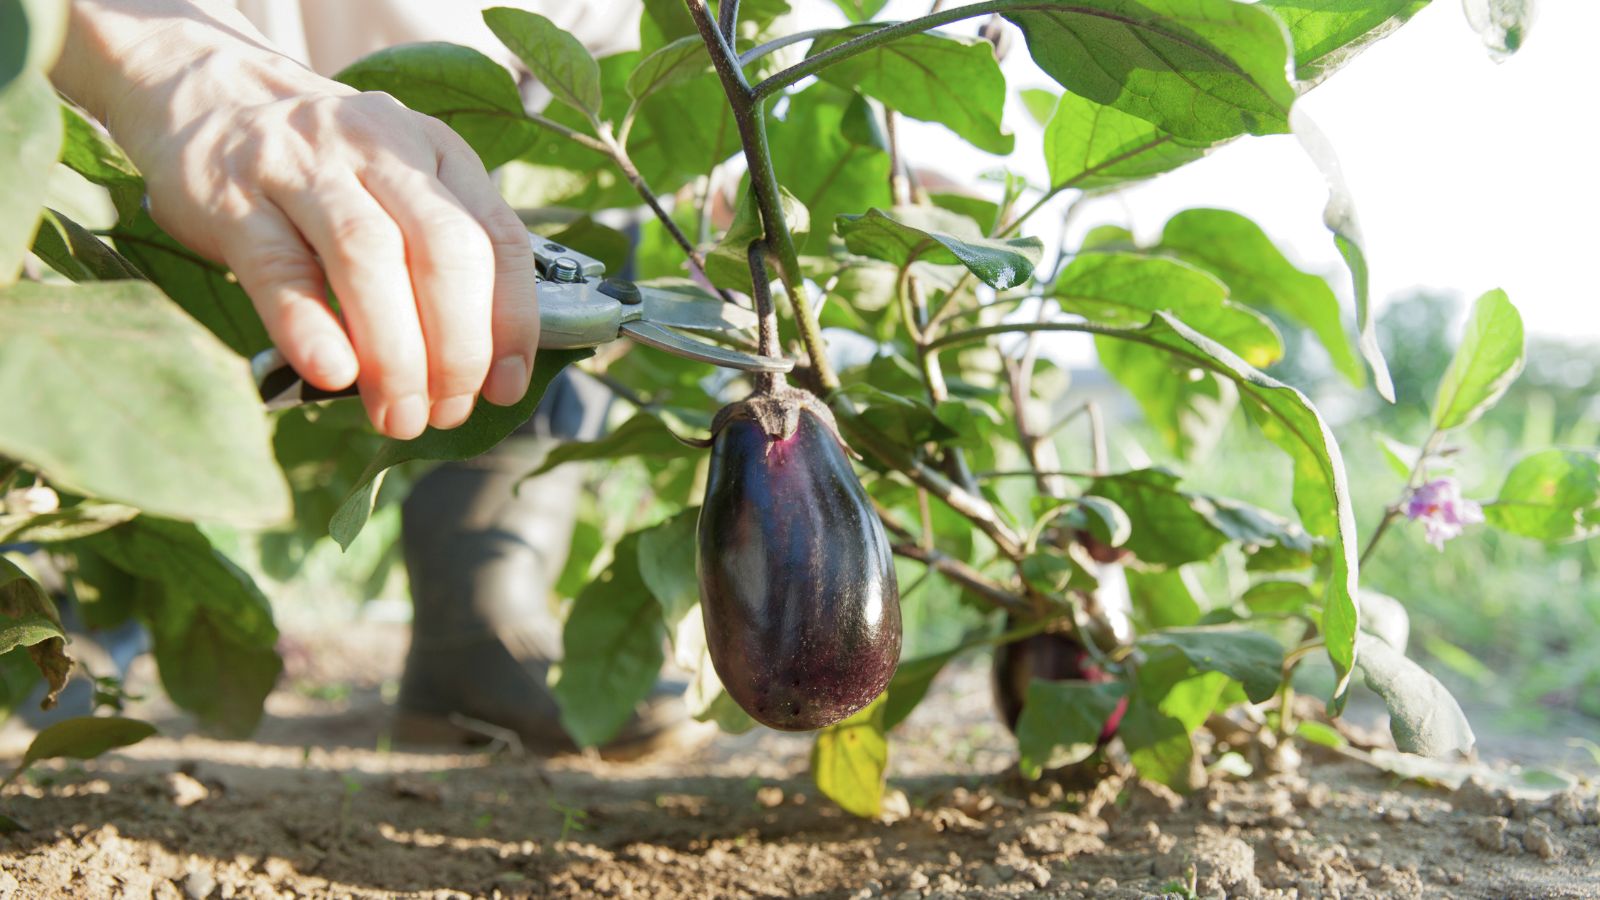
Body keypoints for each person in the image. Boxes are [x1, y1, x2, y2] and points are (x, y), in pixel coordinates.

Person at [48, 0, 699, 755]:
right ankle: (45, 628)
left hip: (408, 151)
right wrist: (168, 53)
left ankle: (477, 625)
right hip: (124, 103)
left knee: (555, 260)